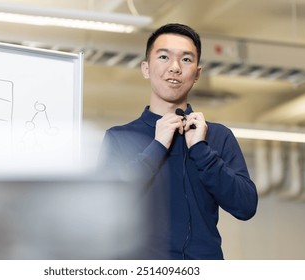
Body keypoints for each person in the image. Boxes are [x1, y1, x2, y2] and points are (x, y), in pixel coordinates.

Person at [97, 23, 258, 260]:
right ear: (146, 68)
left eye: (185, 60)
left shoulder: (218, 137)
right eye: (163, 57)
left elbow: (245, 207)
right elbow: (104, 208)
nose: (174, 68)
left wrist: (201, 150)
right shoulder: (120, 137)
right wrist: (156, 147)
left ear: (197, 73)